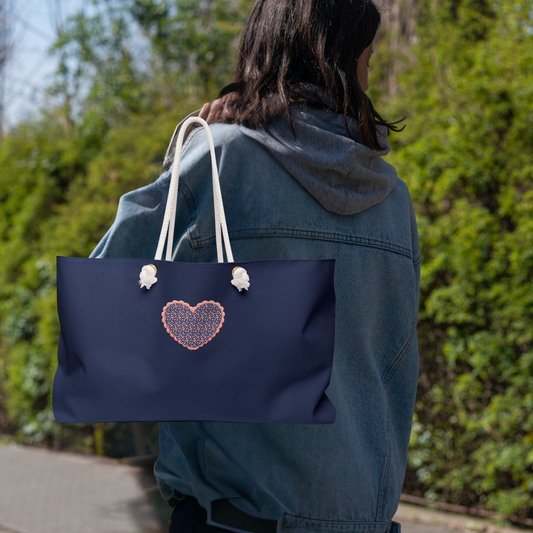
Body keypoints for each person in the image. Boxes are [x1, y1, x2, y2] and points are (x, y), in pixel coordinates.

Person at [90, 0, 421, 532]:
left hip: (234, 520)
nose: (368, 72)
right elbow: (394, 364)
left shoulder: (224, 159)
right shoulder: (392, 199)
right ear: (338, 61)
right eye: (368, 57)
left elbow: (104, 298)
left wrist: (182, 160)